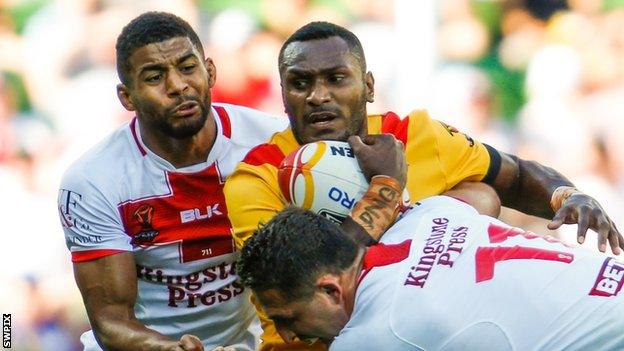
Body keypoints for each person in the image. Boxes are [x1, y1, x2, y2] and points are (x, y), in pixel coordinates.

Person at [223, 21, 622, 350]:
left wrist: (567, 195)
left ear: (369, 86)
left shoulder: (414, 135)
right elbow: (308, 279)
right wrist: (386, 187)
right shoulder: (256, 178)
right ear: (283, 93)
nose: (318, 96)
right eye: (300, 83)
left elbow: (512, 176)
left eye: (336, 78)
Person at [56, 12, 298, 351]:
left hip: (245, 342)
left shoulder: (272, 142)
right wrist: (170, 348)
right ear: (127, 96)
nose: (177, 86)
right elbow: (110, 320)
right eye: (155, 76)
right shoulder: (93, 180)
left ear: (210, 71)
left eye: (187, 68)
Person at [238, 202, 624, 351]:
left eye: (288, 318)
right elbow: (482, 192)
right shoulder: (429, 212)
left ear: (329, 289)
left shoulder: (373, 336)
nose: (288, 336)